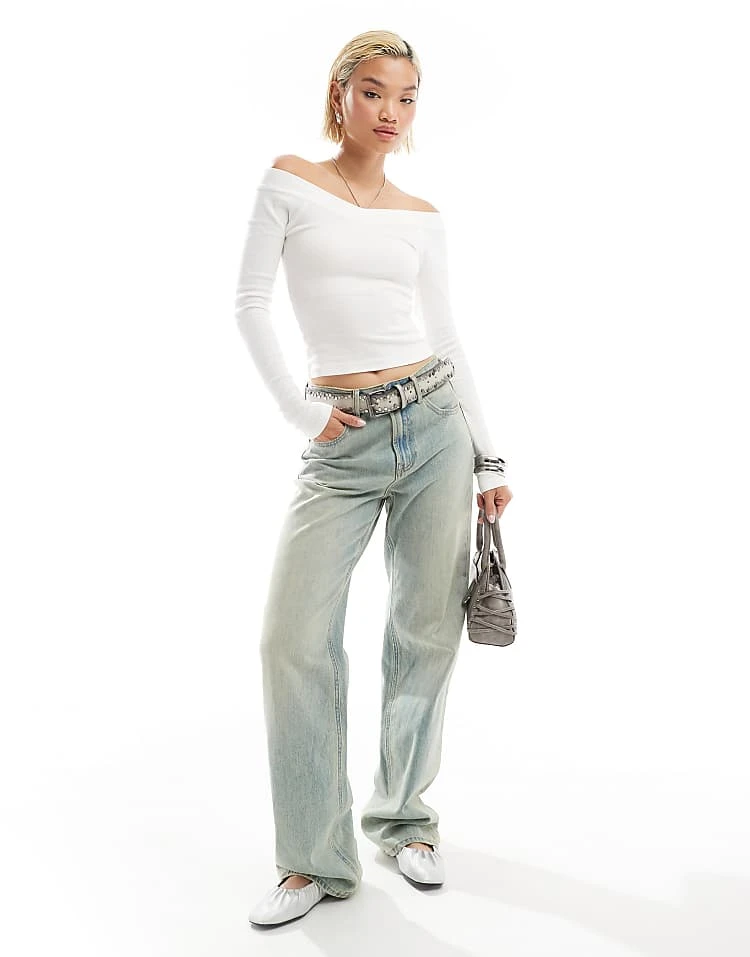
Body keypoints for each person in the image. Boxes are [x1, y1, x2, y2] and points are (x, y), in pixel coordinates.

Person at [234, 30, 512, 928]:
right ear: (340, 95)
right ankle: (313, 859)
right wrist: (301, 411)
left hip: (435, 425)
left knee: (425, 630)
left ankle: (403, 819)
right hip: (340, 438)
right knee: (291, 637)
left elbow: (447, 332)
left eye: (407, 97)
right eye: (374, 92)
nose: (391, 111)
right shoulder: (290, 181)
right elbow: (249, 303)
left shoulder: (421, 215)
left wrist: (488, 452)